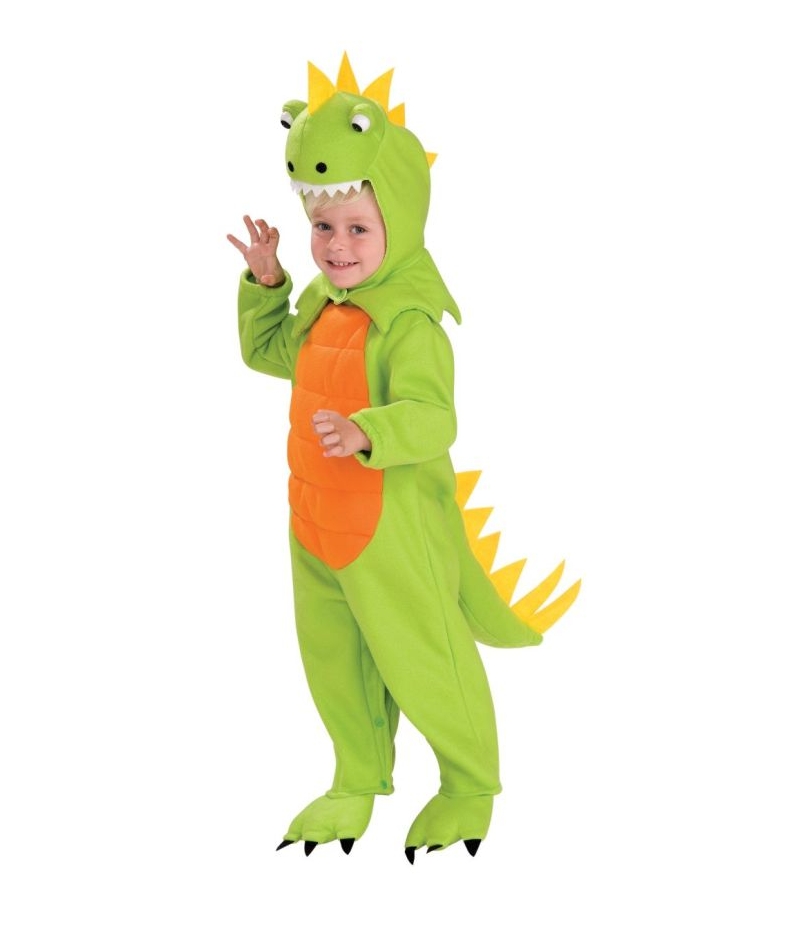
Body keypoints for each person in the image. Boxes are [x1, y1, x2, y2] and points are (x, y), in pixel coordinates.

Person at [227, 54, 578, 862]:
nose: (336, 246)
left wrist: (368, 432)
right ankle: (357, 777)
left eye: (357, 228)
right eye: (323, 228)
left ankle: (469, 785)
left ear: (400, 219)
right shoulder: (322, 302)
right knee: (335, 664)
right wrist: (267, 284)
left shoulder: (410, 320)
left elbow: (434, 418)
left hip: (391, 529)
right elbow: (274, 356)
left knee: (424, 658)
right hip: (317, 526)